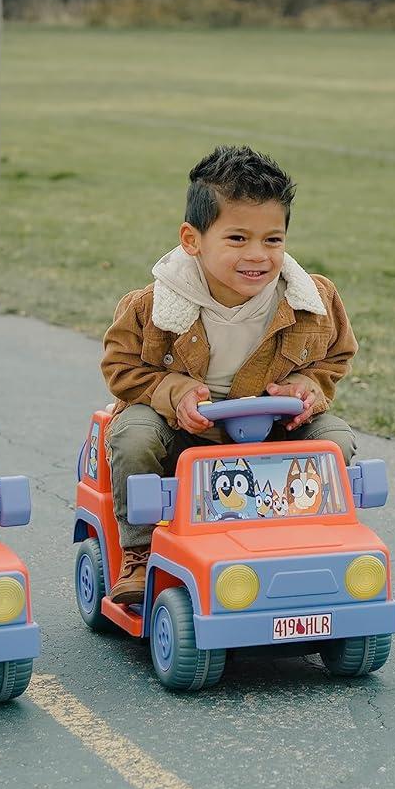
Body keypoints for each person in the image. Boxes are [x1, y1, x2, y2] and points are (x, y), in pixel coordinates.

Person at [100, 145, 359, 604]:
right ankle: (138, 553)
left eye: (272, 240)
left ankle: (309, 541)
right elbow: (120, 367)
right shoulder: (152, 305)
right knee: (133, 435)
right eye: (237, 239)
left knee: (334, 443)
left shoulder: (311, 301)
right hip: (182, 433)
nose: (257, 255)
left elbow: (335, 356)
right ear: (192, 239)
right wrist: (172, 389)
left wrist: (310, 387)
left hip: (272, 429)